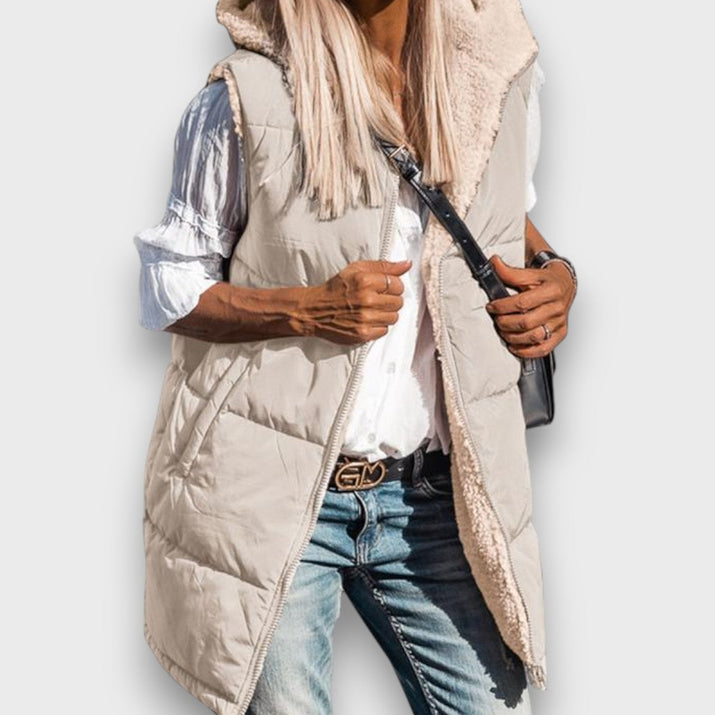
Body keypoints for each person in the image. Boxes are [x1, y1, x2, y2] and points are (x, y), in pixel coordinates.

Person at [134, 1, 577, 713]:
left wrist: (558, 276)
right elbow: (169, 285)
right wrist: (305, 308)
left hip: (433, 499)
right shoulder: (246, 97)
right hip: (275, 493)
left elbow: (500, 213)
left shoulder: (493, 77)